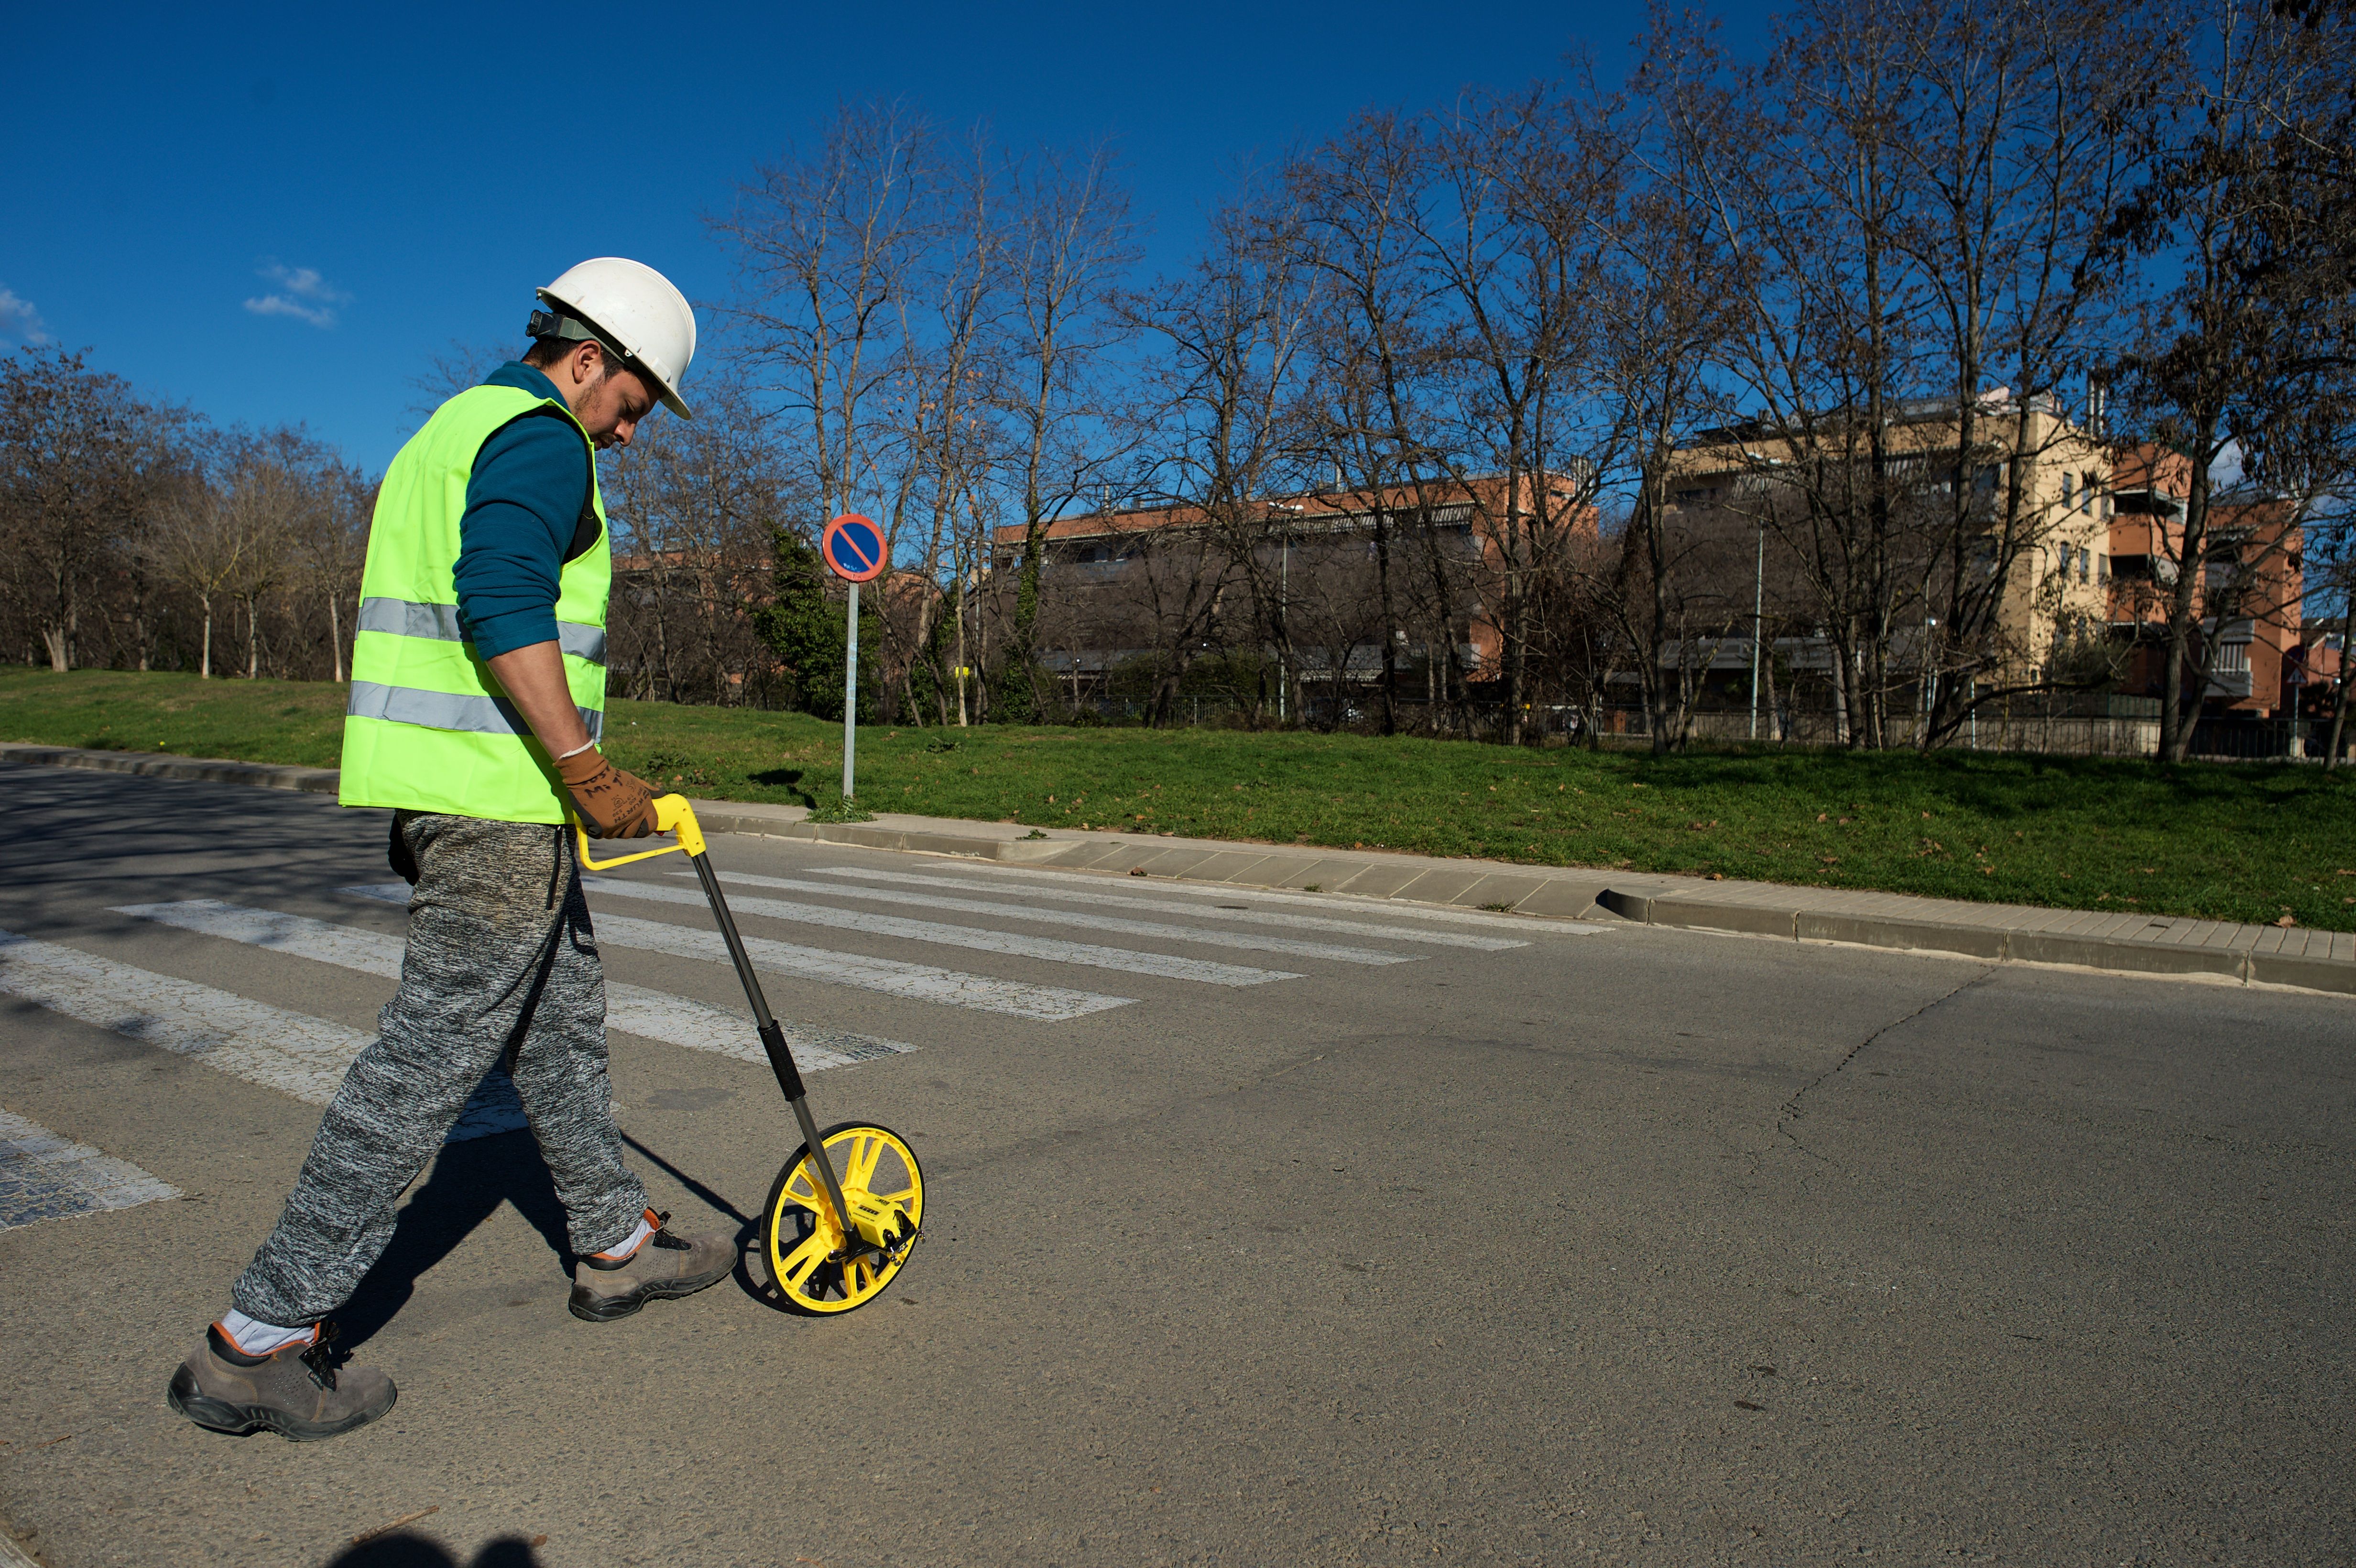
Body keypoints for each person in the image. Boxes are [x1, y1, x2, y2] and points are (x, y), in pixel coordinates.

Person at [166, 259, 734, 1442]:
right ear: (589, 359)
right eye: (634, 404)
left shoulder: (451, 428)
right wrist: (585, 766)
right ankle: (258, 1339)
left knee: (559, 1027)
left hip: (470, 801)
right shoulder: (540, 437)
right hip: (499, 809)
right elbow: (503, 605)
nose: (630, 432)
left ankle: (615, 1242)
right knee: (422, 1070)